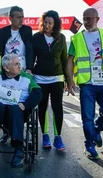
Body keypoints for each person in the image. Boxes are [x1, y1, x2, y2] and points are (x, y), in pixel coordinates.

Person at [0, 53, 42, 168]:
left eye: (19, 64)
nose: (19, 66)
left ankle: (18, 148)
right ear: (6, 68)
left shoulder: (26, 78)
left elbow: (38, 92)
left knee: (15, 108)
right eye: (16, 64)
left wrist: (26, 105)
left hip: (18, 111)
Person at [67, 8, 103, 160]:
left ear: (97, 19)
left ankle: (96, 130)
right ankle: (89, 144)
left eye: (89, 19)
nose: (86, 22)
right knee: (87, 117)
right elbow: (69, 60)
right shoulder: (77, 38)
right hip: (87, 83)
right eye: (84, 18)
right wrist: (69, 80)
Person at [32, 10, 68, 151]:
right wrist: (29, 70)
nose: (47, 25)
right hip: (40, 78)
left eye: (50, 23)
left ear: (55, 24)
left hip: (57, 78)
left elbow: (64, 60)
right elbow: (31, 56)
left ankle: (58, 137)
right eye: (45, 22)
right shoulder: (36, 37)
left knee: (57, 107)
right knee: (42, 107)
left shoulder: (61, 38)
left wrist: (68, 79)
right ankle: (45, 135)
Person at [0, 6, 33, 75]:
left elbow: (30, 50)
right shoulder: (3, 32)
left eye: (22, 17)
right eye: (18, 17)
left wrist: (29, 68)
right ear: (10, 18)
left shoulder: (27, 30)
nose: (21, 20)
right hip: (7, 67)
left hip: (22, 67)